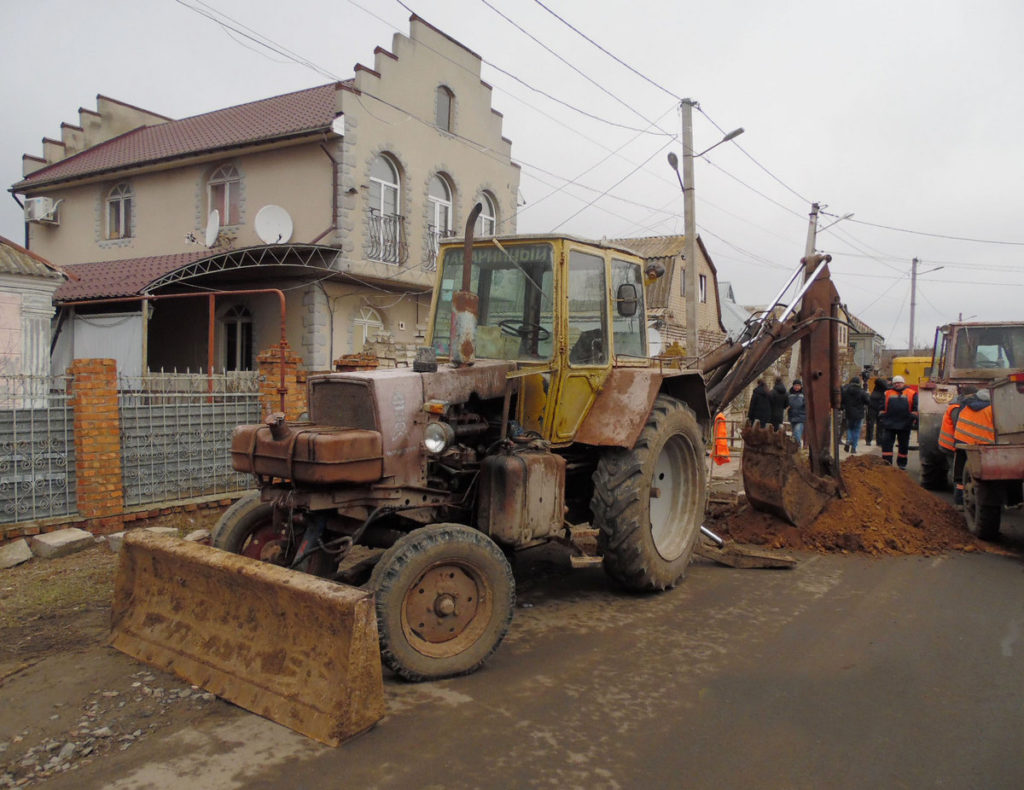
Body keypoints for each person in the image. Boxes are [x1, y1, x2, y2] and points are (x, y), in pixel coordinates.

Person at [951, 389, 995, 505]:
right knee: (984, 475)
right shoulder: (992, 409)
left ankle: (959, 502)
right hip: (982, 447)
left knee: (960, 475)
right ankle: (986, 500)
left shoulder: (965, 405)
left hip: (962, 443)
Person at [879, 375, 918, 469]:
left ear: (903, 383)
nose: (897, 385)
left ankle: (902, 464)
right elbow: (882, 407)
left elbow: (916, 408)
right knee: (887, 445)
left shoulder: (912, 393)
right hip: (889, 424)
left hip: (905, 424)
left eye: (899, 383)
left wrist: (912, 417)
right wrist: (882, 416)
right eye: (895, 383)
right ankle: (887, 463)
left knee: (903, 446)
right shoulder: (887, 393)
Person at [841, 376, 870, 453]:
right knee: (856, 430)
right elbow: (868, 401)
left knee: (850, 428)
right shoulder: (861, 391)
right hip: (859, 414)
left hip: (849, 413)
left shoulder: (846, 391)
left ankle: (848, 440)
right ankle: (854, 447)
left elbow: (842, 401)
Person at [865, 377, 887, 446]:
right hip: (877, 405)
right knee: (879, 425)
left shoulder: (876, 389)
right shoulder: (884, 388)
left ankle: (869, 440)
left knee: (871, 424)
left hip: (873, 406)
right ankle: (878, 441)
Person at [787, 379, 806, 446]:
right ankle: (795, 448)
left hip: (801, 417)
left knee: (797, 432)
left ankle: (798, 447)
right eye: (795, 385)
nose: (797, 387)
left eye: (798, 385)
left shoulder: (804, 394)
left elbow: (806, 404)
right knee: (794, 434)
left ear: (801, 386)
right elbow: (787, 403)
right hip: (792, 417)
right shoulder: (790, 394)